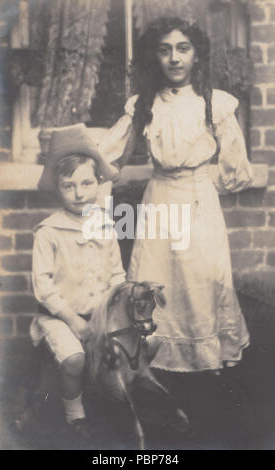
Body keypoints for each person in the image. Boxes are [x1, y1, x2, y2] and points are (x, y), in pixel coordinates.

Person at [99, 17, 253, 374]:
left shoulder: (214, 103)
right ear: (156, 56)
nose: (174, 58)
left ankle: (208, 358)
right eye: (165, 50)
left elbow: (236, 170)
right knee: (157, 279)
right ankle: (155, 360)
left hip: (199, 200)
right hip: (160, 200)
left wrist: (204, 182)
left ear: (197, 54)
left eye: (183, 48)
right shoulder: (144, 104)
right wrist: (88, 167)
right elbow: (109, 153)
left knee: (201, 279)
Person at [30, 124, 125, 437]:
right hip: (59, 316)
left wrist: (106, 316)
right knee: (74, 358)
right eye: (68, 185)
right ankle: (75, 416)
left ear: (98, 183)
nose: (79, 192)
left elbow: (117, 275)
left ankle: (120, 402)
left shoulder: (106, 226)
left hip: (98, 314)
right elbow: (43, 287)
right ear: (58, 188)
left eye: (86, 183)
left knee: (133, 346)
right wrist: (72, 319)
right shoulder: (49, 232)